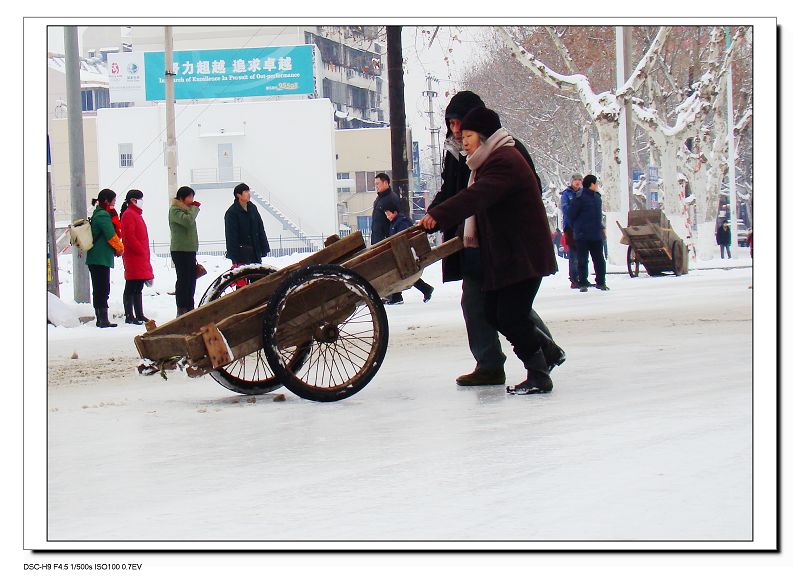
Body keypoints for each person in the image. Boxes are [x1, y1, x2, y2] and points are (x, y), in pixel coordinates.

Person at [426, 91, 564, 387]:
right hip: (481, 242)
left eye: (463, 129)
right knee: (494, 306)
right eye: (452, 125)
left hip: (511, 247)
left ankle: (530, 362)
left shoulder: (503, 156)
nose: (457, 134)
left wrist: (441, 215)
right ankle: (533, 356)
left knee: (506, 310)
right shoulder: (461, 155)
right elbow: (453, 191)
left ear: (482, 131)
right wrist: (433, 214)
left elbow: (475, 196)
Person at [86, 188, 124, 328]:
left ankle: (100, 319)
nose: (114, 203)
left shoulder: (99, 213)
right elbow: (110, 235)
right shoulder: (103, 215)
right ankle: (103, 319)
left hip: (97, 257)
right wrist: (120, 248)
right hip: (99, 257)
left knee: (99, 288)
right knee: (102, 288)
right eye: (113, 201)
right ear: (107, 201)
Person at [384, 200, 434, 303]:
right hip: (401, 253)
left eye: (388, 214)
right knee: (406, 275)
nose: (387, 217)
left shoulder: (401, 222)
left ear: (394, 212)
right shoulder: (395, 223)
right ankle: (425, 289)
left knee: (404, 274)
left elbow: (403, 237)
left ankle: (398, 297)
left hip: (405, 253)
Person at [224, 183, 270, 288]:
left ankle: (257, 303)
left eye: (249, 191)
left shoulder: (253, 208)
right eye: (246, 192)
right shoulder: (232, 212)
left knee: (258, 280)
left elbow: (260, 228)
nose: (249, 194)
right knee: (242, 283)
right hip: (242, 252)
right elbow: (231, 235)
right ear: (238, 195)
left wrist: (264, 247)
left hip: (254, 250)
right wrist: (234, 255)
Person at [568, 175, 608, 292]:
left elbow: (598, 217)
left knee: (599, 259)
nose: (597, 186)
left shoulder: (597, 198)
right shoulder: (579, 197)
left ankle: (601, 282)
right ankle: (583, 283)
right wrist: (577, 228)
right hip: (582, 235)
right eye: (596, 183)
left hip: (596, 235)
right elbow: (571, 215)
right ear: (591, 184)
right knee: (582, 260)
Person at [120, 189, 153, 324]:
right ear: (133, 200)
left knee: (138, 285)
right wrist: (140, 250)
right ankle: (130, 315)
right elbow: (129, 237)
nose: (141, 202)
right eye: (140, 199)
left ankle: (139, 314)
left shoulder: (136, 214)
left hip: (139, 256)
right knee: (131, 285)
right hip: (134, 256)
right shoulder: (129, 214)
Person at [169, 186, 200, 317]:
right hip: (180, 251)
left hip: (190, 250)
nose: (192, 200)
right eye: (189, 197)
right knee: (183, 279)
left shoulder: (189, 211)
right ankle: (181, 308)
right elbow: (186, 221)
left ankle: (190, 306)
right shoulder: (175, 210)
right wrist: (194, 209)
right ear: (182, 197)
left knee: (191, 280)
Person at [560, 173, 583, 288]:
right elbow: (566, 210)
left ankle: (582, 276)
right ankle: (574, 279)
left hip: (582, 228)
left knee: (582, 255)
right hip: (570, 228)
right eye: (575, 180)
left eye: (579, 180)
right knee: (573, 255)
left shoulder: (583, 193)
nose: (577, 182)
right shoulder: (566, 194)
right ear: (571, 181)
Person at [370, 172, 401, 246]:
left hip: (385, 241)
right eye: (375, 184)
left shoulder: (391, 199)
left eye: (378, 184)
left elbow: (395, 220)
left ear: (385, 183)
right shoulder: (380, 198)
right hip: (377, 239)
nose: (376, 186)